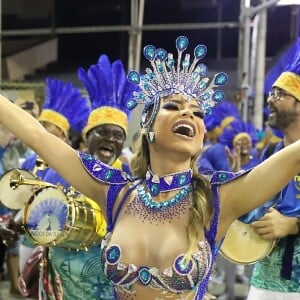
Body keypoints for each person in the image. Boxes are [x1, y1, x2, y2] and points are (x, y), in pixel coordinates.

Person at [0, 36, 300, 300]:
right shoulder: (116, 192)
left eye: (197, 113)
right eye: (172, 106)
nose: (188, 113)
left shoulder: (217, 198)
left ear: (201, 137)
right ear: (147, 126)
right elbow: (37, 135)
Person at [245, 45, 300, 299]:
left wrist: (293, 225)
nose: (269, 99)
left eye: (278, 94)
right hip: (263, 279)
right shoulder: (269, 154)